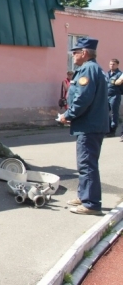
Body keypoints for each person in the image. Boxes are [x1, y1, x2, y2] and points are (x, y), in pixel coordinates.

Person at [59, 37, 109, 215]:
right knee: (86, 164)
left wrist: (68, 115)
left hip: (89, 125)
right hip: (92, 124)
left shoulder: (88, 69)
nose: (73, 55)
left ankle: (91, 204)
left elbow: (83, 99)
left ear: (84, 53)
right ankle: (84, 195)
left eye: (75, 52)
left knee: (87, 164)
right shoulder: (93, 68)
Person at [106, 58, 123, 137]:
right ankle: (107, 128)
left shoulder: (119, 74)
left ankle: (113, 129)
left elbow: (118, 83)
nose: (111, 66)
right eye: (110, 64)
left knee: (114, 113)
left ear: (117, 65)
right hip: (106, 96)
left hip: (115, 95)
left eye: (113, 64)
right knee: (104, 112)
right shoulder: (107, 74)